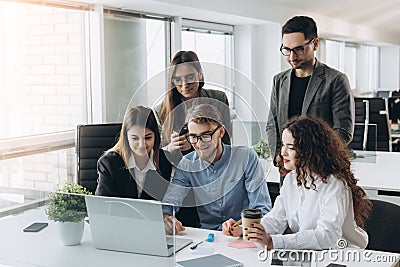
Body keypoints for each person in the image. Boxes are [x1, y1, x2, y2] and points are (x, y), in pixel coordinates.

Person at [223, 116, 371, 250]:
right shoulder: (291, 179)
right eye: (283, 145)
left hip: (342, 253)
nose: (283, 153)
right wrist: (246, 230)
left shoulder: (335, 184)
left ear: (309, 150)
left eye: (291, 147)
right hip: (308, 255)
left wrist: (273, 242)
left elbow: (328, 236)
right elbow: (276, 220)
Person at [162, 104, 271, 232]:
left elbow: (262, 208)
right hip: (208, 236)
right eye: (193, 137)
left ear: (221, 132)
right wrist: (167, 217)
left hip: (243, 236)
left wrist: (243, 228)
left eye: (206, 135)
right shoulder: (187, 164)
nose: (199, 143)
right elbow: (171, 201)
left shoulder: (246, 158)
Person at [266, 15, 354, 164]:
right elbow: (272, 124)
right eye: (286, 49)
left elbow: (343, 131)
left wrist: (311, 157)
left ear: (315, 44)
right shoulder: (279, 81)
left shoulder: (336, 80)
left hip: (321, 168)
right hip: (288, 170)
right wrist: (278, 155)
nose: (292, 57)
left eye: (299, 49)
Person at [154, 50, 232, 157]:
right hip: (177, 169)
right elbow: (156, 154)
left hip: (214, 167)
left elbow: (226, 143)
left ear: (200, 74)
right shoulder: (161, 111)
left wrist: (193, 145)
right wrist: (170, 148)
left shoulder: (218, 99)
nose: (185, 85)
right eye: (178, 80)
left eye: (190, 77)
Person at [95, 106, 172, 200]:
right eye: (135, 138)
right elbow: (102, 204)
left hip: (151, 214)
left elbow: (164, 201)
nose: (141, 144)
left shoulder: (164, 160)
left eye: (147, 137)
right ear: (126, 137)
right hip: (119, 214)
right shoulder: (109, 163)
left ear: (156, 136)